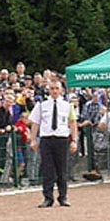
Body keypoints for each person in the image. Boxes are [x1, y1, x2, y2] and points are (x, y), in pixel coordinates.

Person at [28, 80, 77, 208]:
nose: (54, 91)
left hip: (61, 139)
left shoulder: (68, 105)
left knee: (62, 170)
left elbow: (72, 123)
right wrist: (33, 139)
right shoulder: (41, 105)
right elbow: (35, 123)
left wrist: (74, 140)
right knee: (47, 170)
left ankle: (63, 197)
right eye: (52, 88)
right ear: (48, 90)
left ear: (61, 90)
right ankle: (48, 198)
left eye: (57, 88)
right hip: (46, 139)